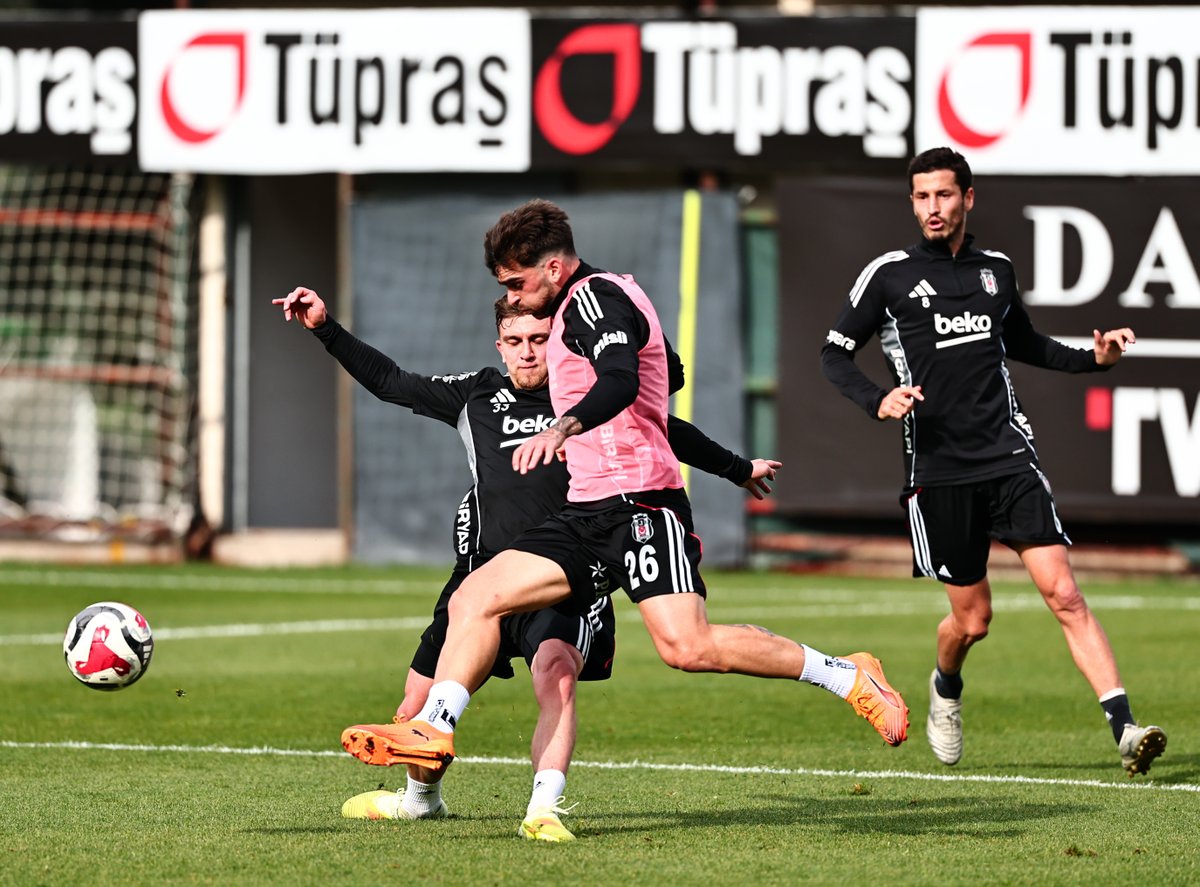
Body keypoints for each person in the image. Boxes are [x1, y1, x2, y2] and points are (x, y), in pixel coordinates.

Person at [339, 200, 910, 818]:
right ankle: (434, 727)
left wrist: (565, 426)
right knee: (474, 596)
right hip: (586, 510)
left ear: (554, 267)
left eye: (516, 282)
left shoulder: (594, 299)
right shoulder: (578, 312)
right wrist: (736, 467)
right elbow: (661, 400)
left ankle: (847, 674)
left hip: (643, 504)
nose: (513, 295)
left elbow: (623, 382)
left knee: (688, 649)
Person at [274, 287, 780, 841]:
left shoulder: (583, 399)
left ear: (559, 341)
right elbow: (391, 381)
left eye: (539, 339)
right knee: (414, 702)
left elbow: (666, 431)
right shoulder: (476, 397)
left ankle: (543, 809)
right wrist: (324, 327)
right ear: (499, 345)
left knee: (556, 676)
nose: (527, 352)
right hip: (482, 574)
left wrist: (737, 468)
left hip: (563, 574)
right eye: (515, 342)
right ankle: (421, 799)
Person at [820, 146, 1166, 777]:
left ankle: (1125, 728)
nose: (933, 207)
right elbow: (834, 354)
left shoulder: (996, 270)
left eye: (944, 195)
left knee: (1064, 592)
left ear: (967, 198)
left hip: (1009, 455)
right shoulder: (890, 274)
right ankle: (945, 688)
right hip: (940, 471)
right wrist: (879, 399)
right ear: (912, 202)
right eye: (922, 196)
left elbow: (1024, 342)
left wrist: (1096, 361)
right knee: (972, 620)